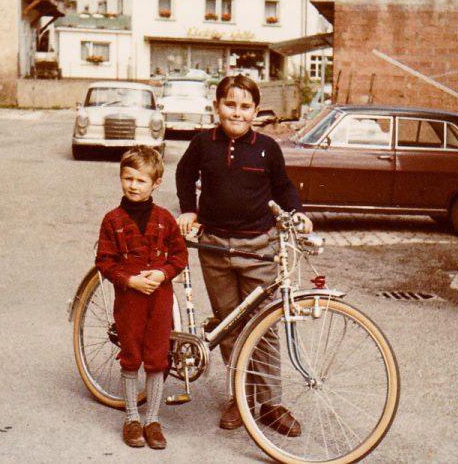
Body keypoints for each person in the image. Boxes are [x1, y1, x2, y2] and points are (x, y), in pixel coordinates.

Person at [175, 75, 313, 436]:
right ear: (217, 106)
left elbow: (283, 186)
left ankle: (270, 403)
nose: (237, 112)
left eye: (245, 106)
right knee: (230, 325)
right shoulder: (203, 143)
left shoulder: (266, 147)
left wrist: (297, 212)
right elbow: (184, 172)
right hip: (215, 248)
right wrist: (189, 209)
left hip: (257, 249)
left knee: (264, 327)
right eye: (230, 104)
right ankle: (239, 397)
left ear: (255, 111)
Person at [95, 146, 188, 450]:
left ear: (156, 183)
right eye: (127, 178)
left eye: (141, 181)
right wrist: (130, 280)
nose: (133, 185)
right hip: (129, 299)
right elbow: (105, 261)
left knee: (158, 357)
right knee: (131, 354)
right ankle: (132, 417)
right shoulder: (113, 220)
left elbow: (179, 255)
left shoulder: (165, 219)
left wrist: (162, 274)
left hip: (159, 298)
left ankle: (153, 419)